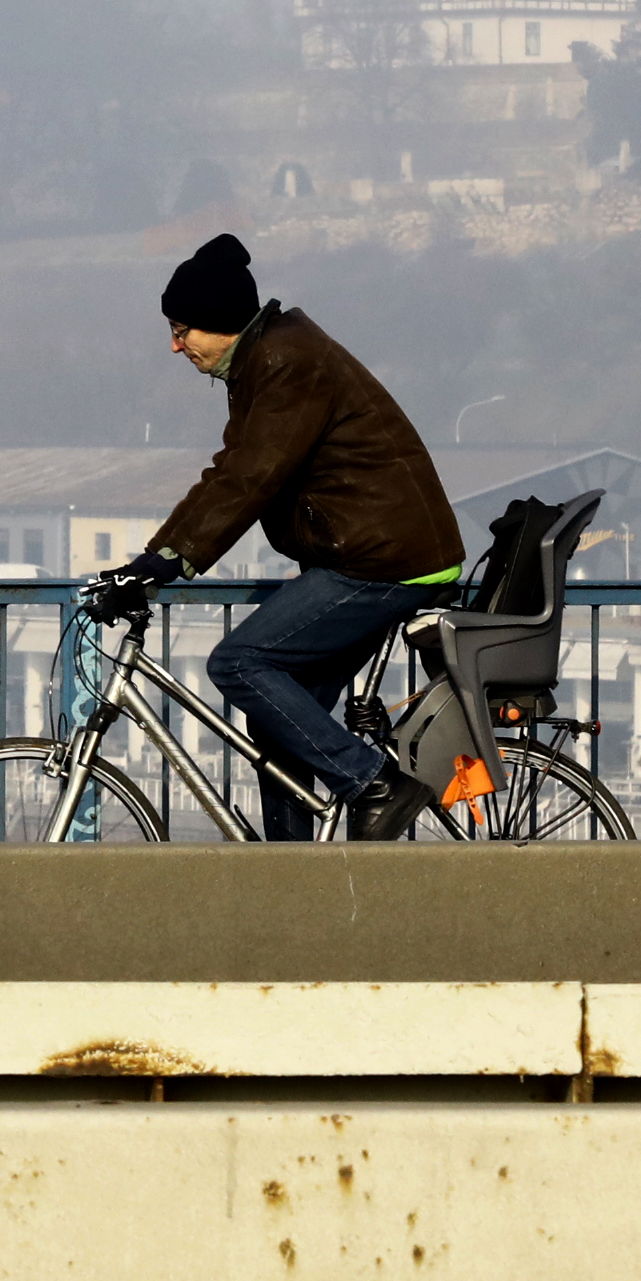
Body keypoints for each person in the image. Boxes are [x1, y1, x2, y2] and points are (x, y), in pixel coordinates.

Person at [97, 231, 463, 840]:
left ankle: (373, 780)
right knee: (278, 726)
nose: (174, 345)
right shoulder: (265, 360)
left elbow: (251, 477)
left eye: (182, 328)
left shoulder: (285, 361)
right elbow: (232, 469)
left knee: (238, 662)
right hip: (369, 555)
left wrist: (167, 562)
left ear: (219, 322)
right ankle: (293, 872)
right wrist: (155, 558)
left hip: (383, 561)